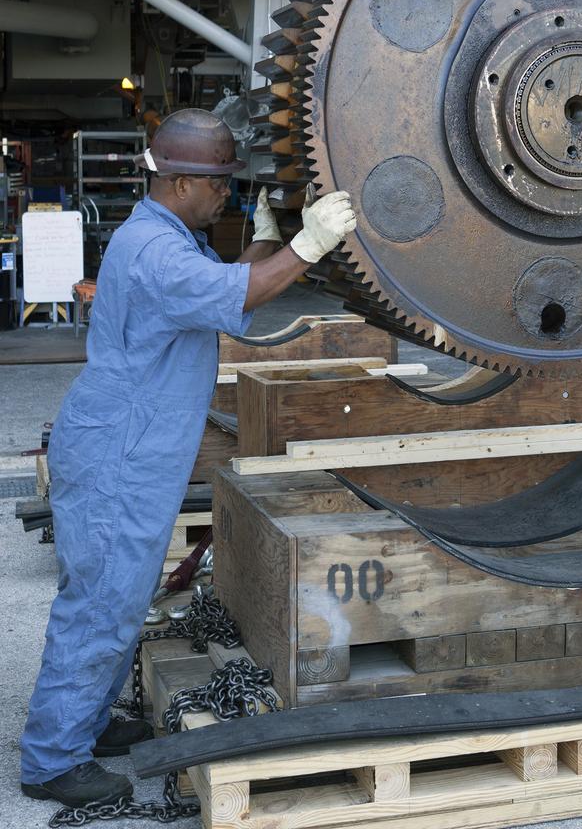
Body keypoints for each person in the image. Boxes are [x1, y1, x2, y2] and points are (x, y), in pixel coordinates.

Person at [20, 108, 356, 810]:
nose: (224, 197)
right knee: (103, 603)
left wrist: (267, 241)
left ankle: (85, 720)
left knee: (120, 593)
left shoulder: (166, 235)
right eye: (218, 187)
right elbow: (246, 293)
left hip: (130, 444)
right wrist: (310, 243)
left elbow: (226, 287)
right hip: (121, 453)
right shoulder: (155, 252)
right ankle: (53, 760)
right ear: (178, 182)